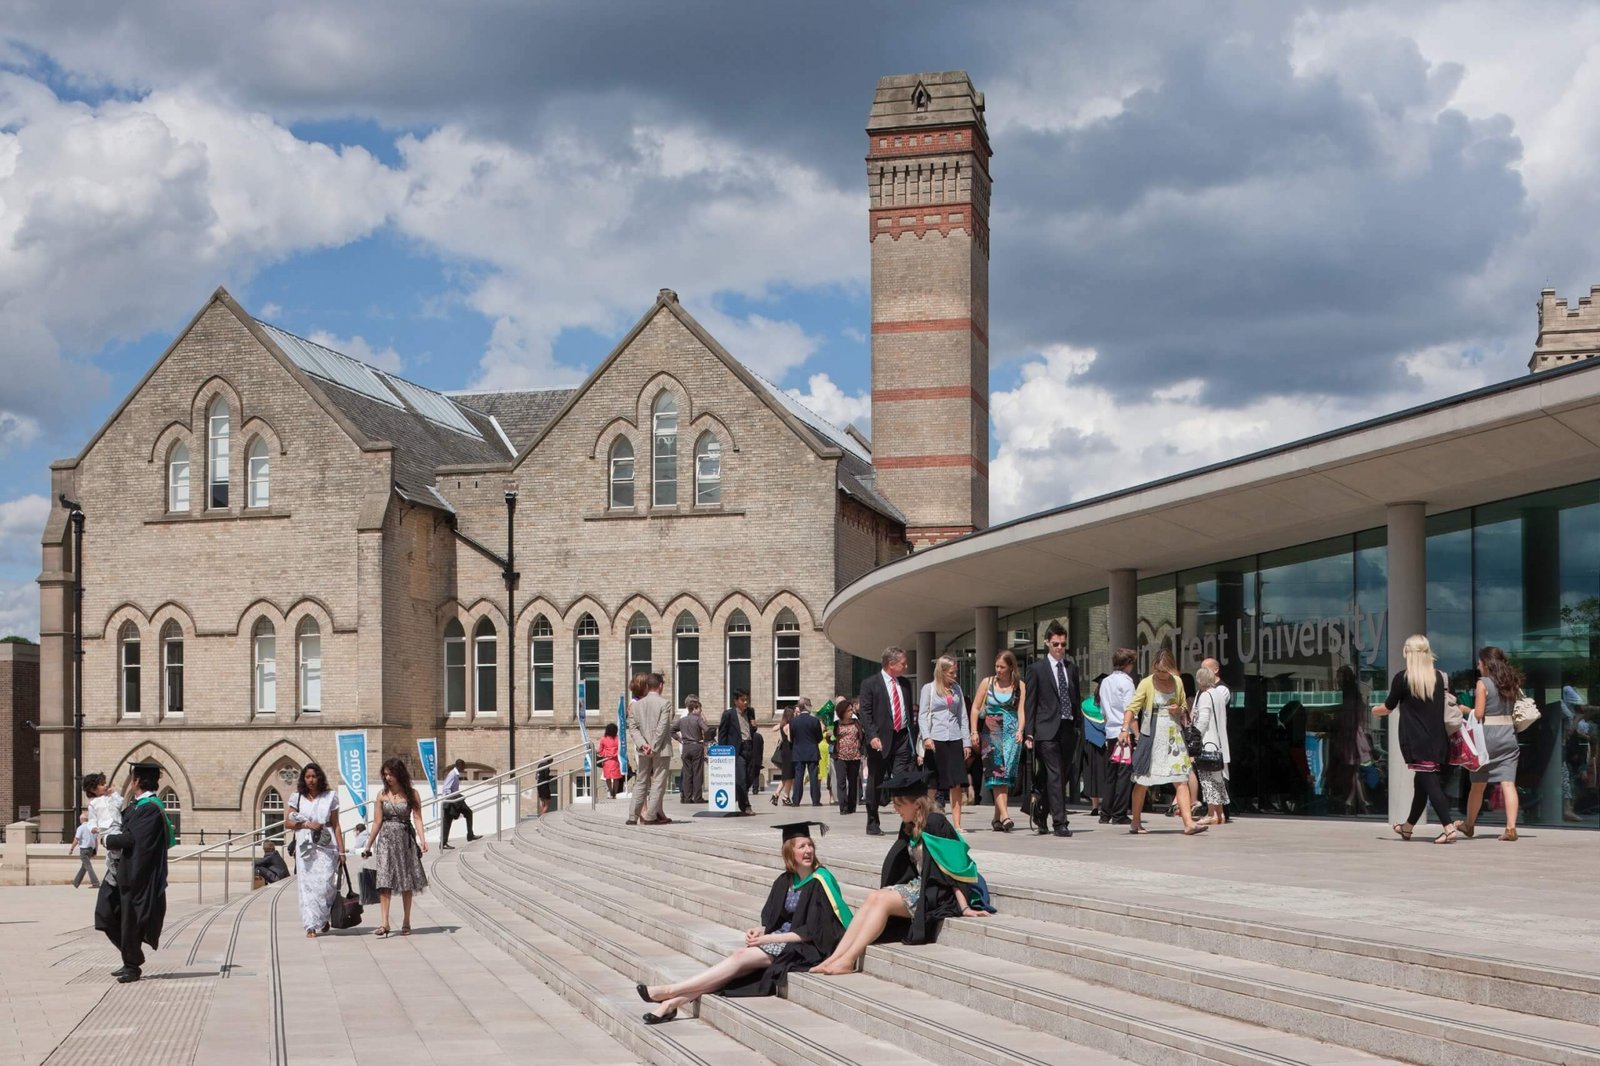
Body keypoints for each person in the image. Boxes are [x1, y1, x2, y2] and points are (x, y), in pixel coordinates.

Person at [637, 821, 850, 1022]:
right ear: (789, 852)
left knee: (739, 957)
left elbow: (812, 932)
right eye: (801, 846)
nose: (808, 851)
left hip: (804, 947)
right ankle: (671, 1005)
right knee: (732, 972)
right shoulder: (785, 880)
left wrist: (766, 939)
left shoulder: (820, 881)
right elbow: (775, 919)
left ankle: (671, 991)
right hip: (779, 941)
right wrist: (758, 931)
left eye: (810, 845)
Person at [811, 772, 991, 974]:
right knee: (874, 896)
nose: (895, 809)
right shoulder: (909, 826)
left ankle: (849, 959)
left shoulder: (936, 823)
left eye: (899, 803)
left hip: (938, 893)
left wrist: (964, 906)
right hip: (919, 886)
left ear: (916, 804)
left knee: (882, 901)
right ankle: (835, 957)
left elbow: (954, 866)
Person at [1375, 633, 1456, 844]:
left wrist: (1373, 710)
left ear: (1408, 653)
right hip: (1438, 740)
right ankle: (1408, 827)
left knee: (1429, 783)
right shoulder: (1441, 677)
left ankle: (1449, 827)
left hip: (1416, 741)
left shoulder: (1403, 678)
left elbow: (1388, 707)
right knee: (1421, 783)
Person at [97, 761, 174, 983]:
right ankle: (131, 956)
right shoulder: (137, 805)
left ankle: (131, 965)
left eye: (133, 779)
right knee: (104, 914)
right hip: (121, 873)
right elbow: (120, 824)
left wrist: (107, 839)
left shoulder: (151, 808)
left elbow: (133, 839)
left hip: (136, 876)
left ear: (137, 781)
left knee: (129, 922)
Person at [1128, 648, 1206, 835]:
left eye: (1165, 671)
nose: (1162, 675)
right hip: (1152, 736)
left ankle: (1188, 822)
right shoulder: (1147, 683)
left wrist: (1177, 709)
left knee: (1181, 779)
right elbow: (1133, 707)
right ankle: (1136, 821)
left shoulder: (1177, 682)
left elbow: (1183, 707)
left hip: (1173, 737)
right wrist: (1125, 729)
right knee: (1143, 781)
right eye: (1159, 670)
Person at [1456, 646, 1524, 841]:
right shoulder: (1511, 682)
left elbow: (1478, 714)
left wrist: (1464, 709)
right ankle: (1511, 828)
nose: (1478, 665)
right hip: (1508, 736)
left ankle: (1469, 825)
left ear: (1486, 663)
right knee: (1508, 783)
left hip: (1486, 739)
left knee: (1477, 784)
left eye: (1479, 662)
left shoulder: (1483, 683)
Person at [1024, 622, 1080, 838]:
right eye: (1055, 644)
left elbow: (1074, 698)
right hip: (1046, 730)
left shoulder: (1071, 668)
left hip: (1067, 728)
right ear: (1047, 643)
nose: (1059, 648)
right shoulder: (1036, 669)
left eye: (1063, 644)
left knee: (1059, 775)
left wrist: (1077, 726)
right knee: (1055, 774)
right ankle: (1060, 822)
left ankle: (1040, 811)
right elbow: (1031, 702)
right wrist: (1030, 732)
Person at [362, 757, 429, 936]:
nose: (388, 777)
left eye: (390, 774)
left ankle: (406, 921)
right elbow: (377, 821)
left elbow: (417, 818)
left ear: (399, 774)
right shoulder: (381, 795)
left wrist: (422, 840)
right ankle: (384, 923)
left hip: (404, 839)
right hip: (385, 840)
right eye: (385, 774)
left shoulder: (412, 794)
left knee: (406, 881)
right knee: (384, 880)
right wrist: (368, 845)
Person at [860, 646, 918, 836]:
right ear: (891, 664)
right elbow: (865, 714)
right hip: (880, 740)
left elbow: (909, 711)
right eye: (903, 663)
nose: (906, 666)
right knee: (876, 780)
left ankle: (907, 820)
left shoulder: (905, 685)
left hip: (901, 737)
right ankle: (872, 821)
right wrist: (872, 736)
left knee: (902, 780)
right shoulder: (870, 684)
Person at [969, 650, 1026, 832]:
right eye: (997, 666)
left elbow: (1021, 710)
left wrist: (1020, 730)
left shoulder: (1019, 685)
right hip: (991, 730)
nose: (998, 670)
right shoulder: (988, 682)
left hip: (1010, 731)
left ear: (1011, 667)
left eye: (1002, 667)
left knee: (1006, 775)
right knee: (996, 774)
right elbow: (976, 708)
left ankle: (996, 818)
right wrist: (973, 732)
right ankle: (1005, 816)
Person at [286, 761, 344, 938]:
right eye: (307, 776)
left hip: (327, 845)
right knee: (307, 887)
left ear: (319, 777)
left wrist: (342, 851)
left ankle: (324, 917)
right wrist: (305, 824)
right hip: (306, 846)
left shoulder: (329, 797)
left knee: (326, 884)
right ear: (304, 779)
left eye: (314, 776)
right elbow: (288, 822)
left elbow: (336, 825)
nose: (311, 780)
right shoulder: (297, 798)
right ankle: (311, 924)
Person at [918, 656, 971, 830]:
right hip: (935, 739)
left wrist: (966, 742)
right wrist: (927, 737)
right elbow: (923, 715)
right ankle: (924, 820)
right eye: (951, 672)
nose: (954, 675)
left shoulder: (957, 689)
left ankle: (957, 824)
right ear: (941, 672)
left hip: (954, 738)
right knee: (933, 782)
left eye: (955, 672)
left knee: (956, 782)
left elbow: (962, 715)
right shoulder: (929, 689)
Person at [627, 673, 676, 826]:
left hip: (643, 750)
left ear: (647, 686)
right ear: (660, 685)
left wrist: (643, 745)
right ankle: (650, 816)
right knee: (658, 782)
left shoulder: (636, 705)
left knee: (641, 781)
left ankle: (632, 816)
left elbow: (633, 728)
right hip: (660, 749)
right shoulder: (665, 703)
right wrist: (653, 746)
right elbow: (662, 727)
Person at [1099, 649, 1137, 825]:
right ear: (1127, 663)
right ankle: (1119, 812)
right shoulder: (1127, 683)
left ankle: (1105, 812)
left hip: (1110, 731)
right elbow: (1130, 709)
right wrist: (1135, 733)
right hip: (1124, 732)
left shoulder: (1105, 682)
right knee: (1124, 773)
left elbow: (1103, 710)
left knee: (1111, 773)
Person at [1192, 665, 1231, 826]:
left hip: (1208, 742)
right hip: (1220, 742)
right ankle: (1220, 813)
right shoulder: (1218, 694)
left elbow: (1203, 720)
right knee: (1218, 779)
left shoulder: (1205, 695)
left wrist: (1194, 737)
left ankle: (1211, 813)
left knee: (1207, 780)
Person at [84, 770, 130, 887]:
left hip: (117, 825)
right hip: (106, 828)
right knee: (115, 847)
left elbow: (120, 803)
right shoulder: (93, 804)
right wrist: (93, 827)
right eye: (101, 784)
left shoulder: (111, 798)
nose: (105, 785)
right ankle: (113, 864)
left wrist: (114, 793)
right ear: (94, 789)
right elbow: (92, 819)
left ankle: (112, 863)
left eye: (105, 783)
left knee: (119, 847)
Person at [717, 691, 756, 815]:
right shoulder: (729, 714)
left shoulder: (750, 712)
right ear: (736, 701)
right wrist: (723, 752)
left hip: (749, 748)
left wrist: (754, 726)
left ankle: (736, 795)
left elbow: (751, 729)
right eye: (743, 700)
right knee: (741, 779)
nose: (745, 702)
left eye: (747, 700)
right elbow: (722, 734)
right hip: (737, 751)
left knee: (750, 777)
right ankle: (745, 806)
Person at [1079, 673, 1108, 818]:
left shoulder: (1086, 704)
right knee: (1105, 774)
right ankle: (1106, 805)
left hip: (1090, 743)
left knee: (1092, 774)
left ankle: (1094, 806)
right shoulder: (1108, 705)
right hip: (1106, 744)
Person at [789, 699, 825, 807]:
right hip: (812, 751)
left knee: (798, 777)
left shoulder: (793, 721)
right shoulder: (814, 721)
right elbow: (819, 737)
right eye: (810, 705)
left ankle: (796, 801)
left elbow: (792, 737)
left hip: (798, 752)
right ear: (805, 706)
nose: (811, 707)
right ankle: (815, 801)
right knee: (814, 777)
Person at [439, 759, 480, 849]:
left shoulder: (455, 774)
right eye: (463, 767)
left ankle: (470, 835)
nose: (464, 769)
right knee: (448, 820)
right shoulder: (452, 774)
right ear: (460, 766)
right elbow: (446, 788)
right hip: (451, 800)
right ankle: (443, 843)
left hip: (453, 799)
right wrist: (453, 798)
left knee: (467, 813)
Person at [676, 695, 710, 804]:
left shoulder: (682, 720)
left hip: (686, 747)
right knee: (698, 772)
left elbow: (671, 730)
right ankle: (698, 797)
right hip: (696, 746)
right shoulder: (698, 719)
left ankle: (687, 797)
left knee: (687, 773)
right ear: (695, 707)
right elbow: (707, 730)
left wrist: (679, 739)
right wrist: (707, 740)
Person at [835, 700, 863, 815]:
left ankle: (851, 806)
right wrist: (829, 736)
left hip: (855, 756)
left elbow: (862, 735)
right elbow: (831, 739)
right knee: (841, 782)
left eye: (851, 710)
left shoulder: (856, 722)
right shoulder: (836, 724)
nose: (851, 712)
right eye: (848, 711)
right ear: (842, 712)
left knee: (853, 782)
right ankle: (843, 806)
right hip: (840, 756)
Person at [770, 705, 797, 806]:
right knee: (789, 776)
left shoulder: (782, 724)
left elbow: (773, 729)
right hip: (789, 752)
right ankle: (782, 796)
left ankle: (780, 796)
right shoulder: (788, 725)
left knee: (787, 776)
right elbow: (790, 739)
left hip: (784, 752)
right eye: (794, 713)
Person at [70, 812, 99, 889]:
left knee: (88, 866)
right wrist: (95, 850)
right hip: (90, 849)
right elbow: (96, 840)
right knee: (84, 866)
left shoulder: (81, 828)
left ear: (82, 820)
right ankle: (76, 882)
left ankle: (95, 882)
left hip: (84, 850)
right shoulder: (93, 828)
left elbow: (77, 839)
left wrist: (72, 848)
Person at [597, 723, 624, 799]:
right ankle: (615, 794)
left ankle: (611, 792)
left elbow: (600, 751)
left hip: (607, 760)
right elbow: (621, 749)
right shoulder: (618, 739)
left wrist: (605, 754)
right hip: (615, 760)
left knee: (608, 777)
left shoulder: (603, 739)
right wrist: (615, 754)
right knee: (616, 778)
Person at [745, 707, 766, 795]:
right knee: (756, 774)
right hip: (757, 758)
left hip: (749, 758)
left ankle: (746, 789)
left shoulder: (747, 737)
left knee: (747, 773)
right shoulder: (759, 736)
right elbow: (761, 748)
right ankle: (755, 789)